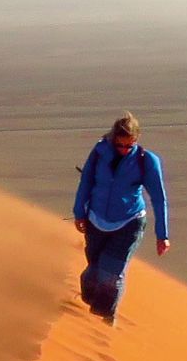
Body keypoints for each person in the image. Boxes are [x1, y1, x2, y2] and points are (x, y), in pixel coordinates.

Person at [71, 112, 170, 324]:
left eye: (130, 145)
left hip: (128, 222)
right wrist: (79, 212)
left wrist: (162, 235)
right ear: (113, 138)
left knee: (111, 275)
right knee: (93, 274)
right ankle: (90, 307)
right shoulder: (99, 152)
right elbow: (86, 181)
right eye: (120, 145)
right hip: (96, 221)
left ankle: (105, 324)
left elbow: (159, 198)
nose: (124, 150)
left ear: (137, 140)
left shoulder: (146, 161)